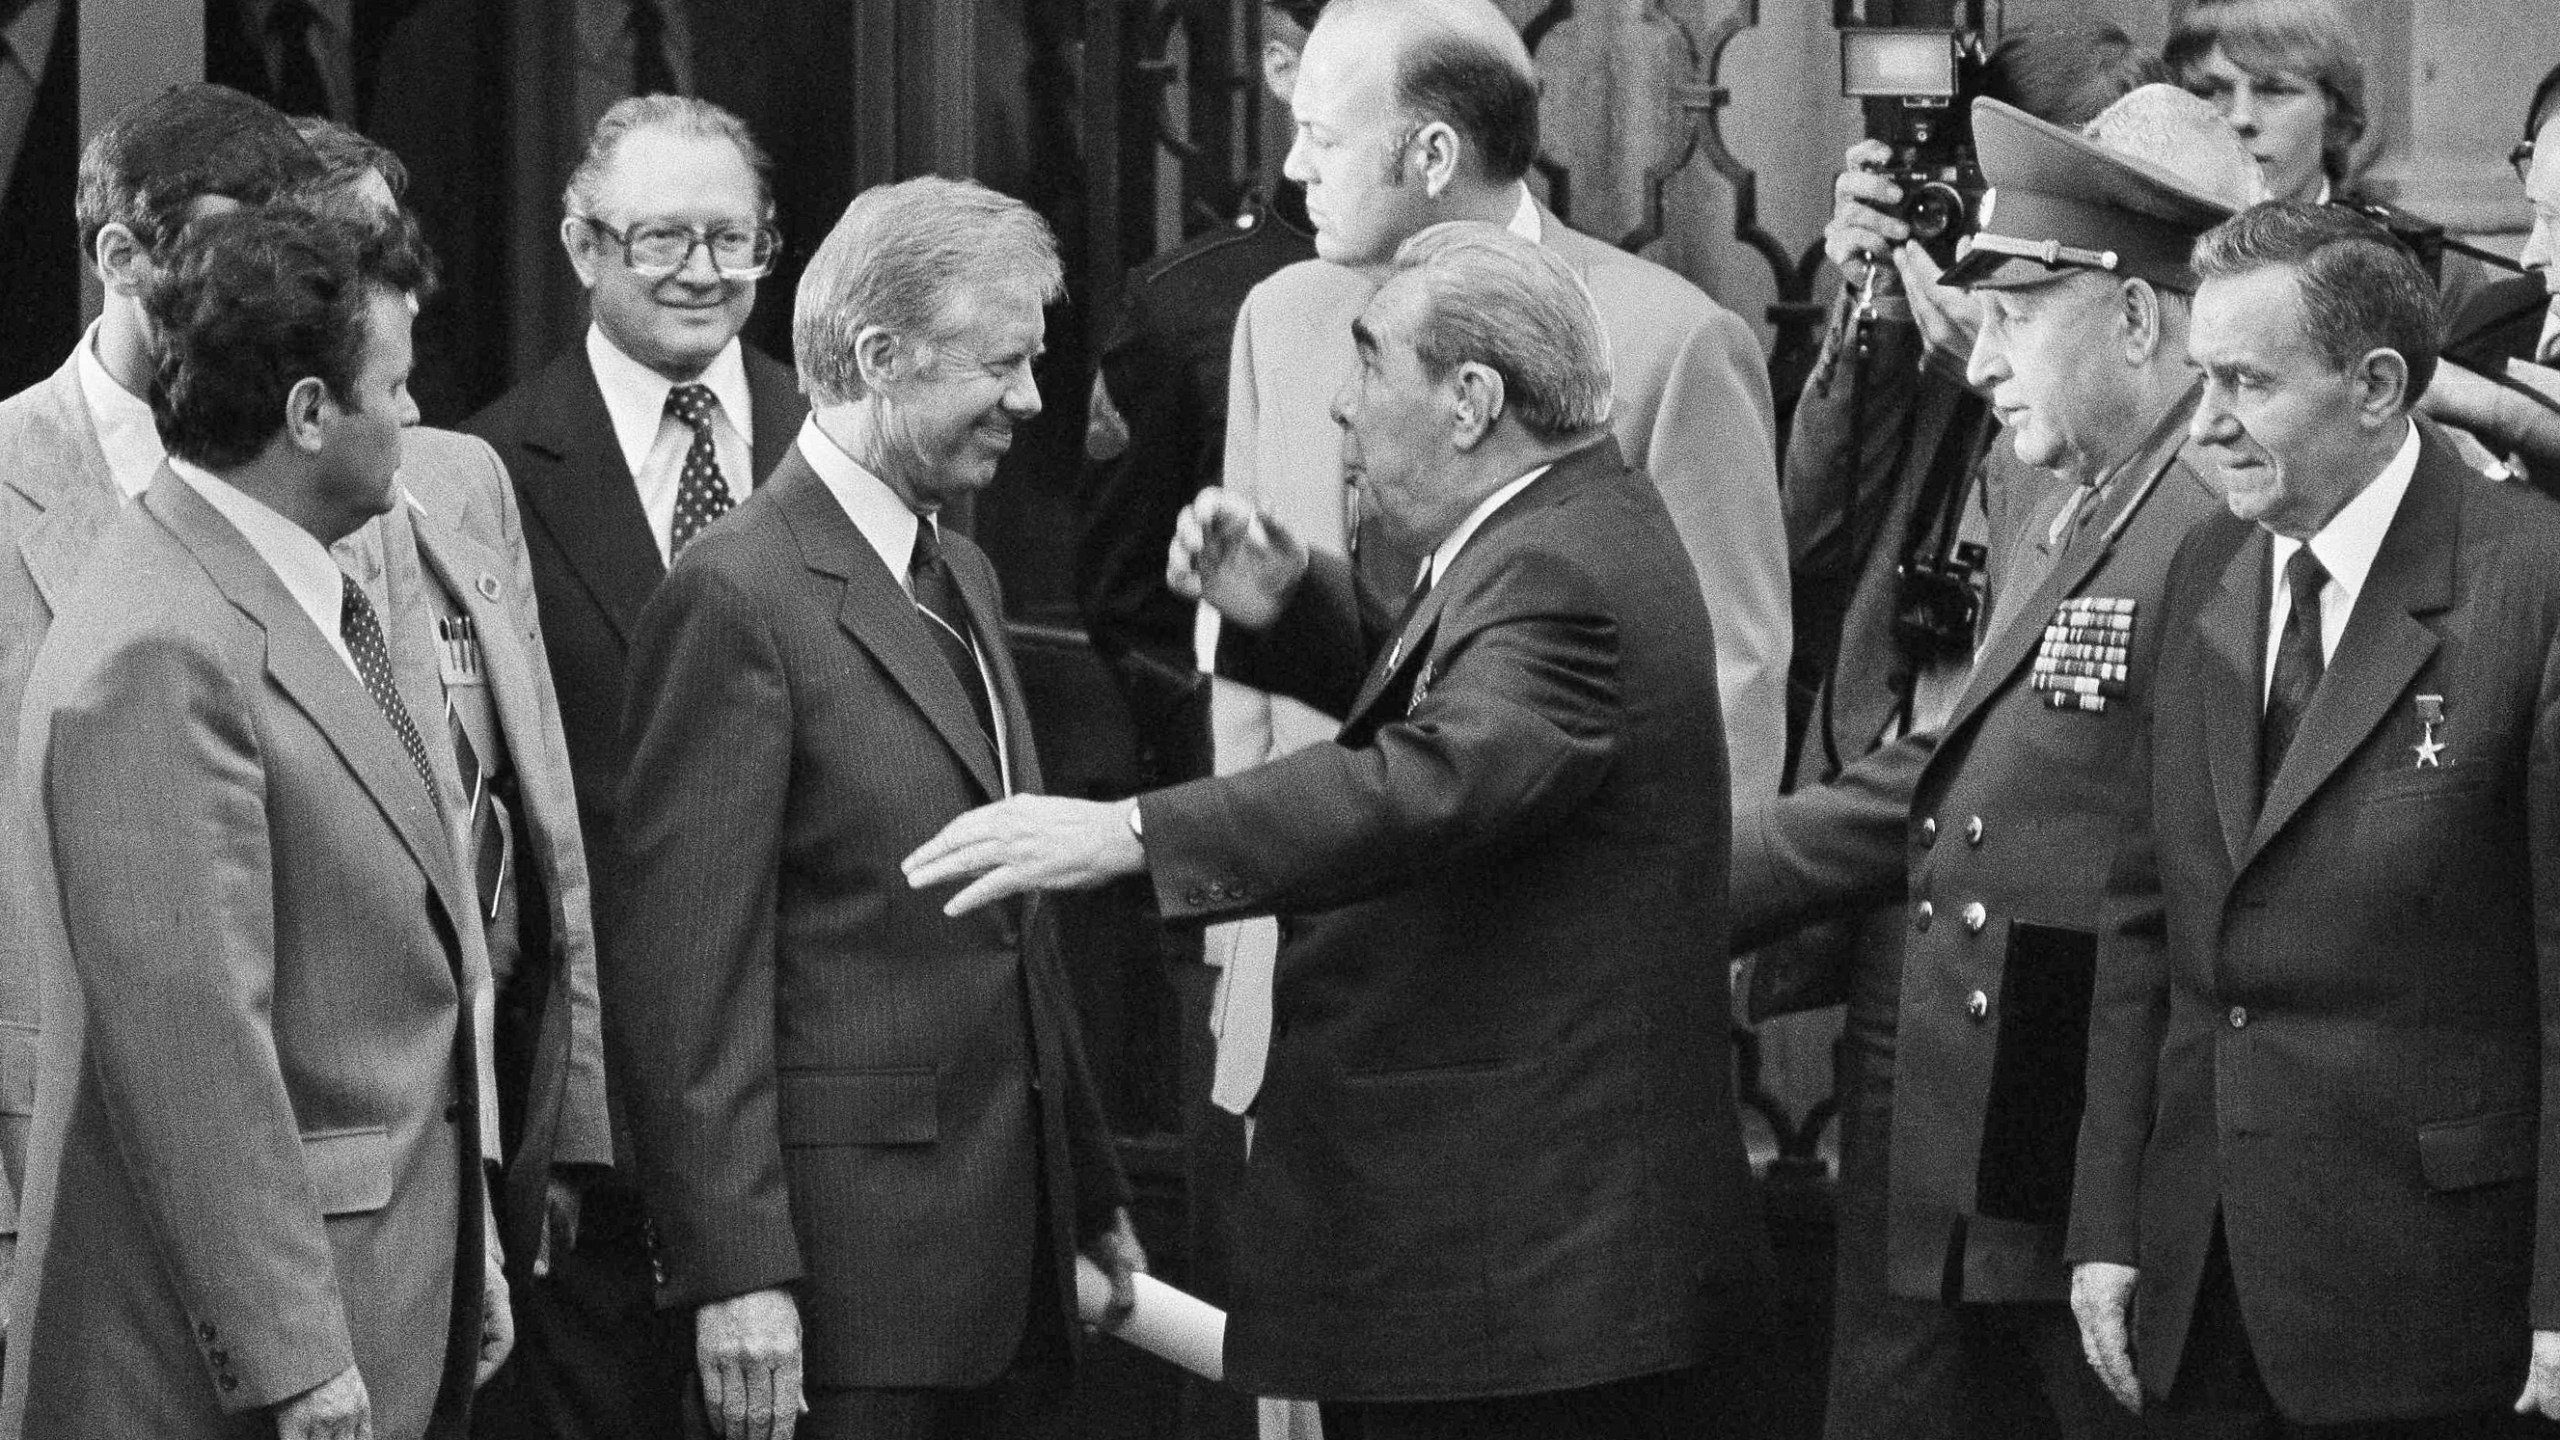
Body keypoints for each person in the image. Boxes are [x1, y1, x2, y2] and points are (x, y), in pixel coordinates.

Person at [905, 221, 1771, 1440]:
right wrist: (1293, 599)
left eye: (1368, 366)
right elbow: (1478, 703)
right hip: (1515, 1279)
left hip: (1525, 1297)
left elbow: (1446, 772)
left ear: (1472, 400)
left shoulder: (1560, 568)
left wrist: (1133, 832)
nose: (1338, 412)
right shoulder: (1561, 526)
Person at [1732, 90, 2253, 1440]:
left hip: (2090, 1103)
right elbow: (1960, 763)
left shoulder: (2222, 517)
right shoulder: (2054, 478)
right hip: (1966, 1064)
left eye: (2019, 317)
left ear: (2139, 320)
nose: (1978, 362)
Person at [605, 176, 1142, 1440]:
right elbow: (686, 978)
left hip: (1009, 1271)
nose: (1029, 400)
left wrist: (1091, 1186)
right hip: (843, 1301)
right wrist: (735, 1273)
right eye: (1001, 363)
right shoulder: (734, 597)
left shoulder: (961, 568)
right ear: (879, 356)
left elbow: (1009, 914)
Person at [1199, 0, 1789, 1147]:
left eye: (1321, 136)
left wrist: (1669, 987)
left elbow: (1729, 690)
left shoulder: (1667, 343)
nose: (1289, 166)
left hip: (1546, 1023)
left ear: (1430, 156)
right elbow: (1249, 669)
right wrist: (1240, 946)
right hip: (1309, 993)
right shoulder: (1279, 318)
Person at [2, 205, 509, 1440]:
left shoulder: (280, 588)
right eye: (395, 385)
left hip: (376, 1290)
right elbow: (192, 1047)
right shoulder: (165, 644)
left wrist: (465, 1242)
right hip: (235, 1371)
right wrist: (296, 1359)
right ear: (305, 415)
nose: (414, 414)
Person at [2069, 200, 2560, 1435]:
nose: (2207, 423)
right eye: (2199, 379)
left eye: (2246, 382)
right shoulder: (2204, 571)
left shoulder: (2532, 586)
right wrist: (2108, 1228)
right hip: (2203, 1285)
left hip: (2438, 1308)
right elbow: (2143, 931)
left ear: (2377, 386)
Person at [460, 94, 807, 1440]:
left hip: (806, 1080)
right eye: (665, 236)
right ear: (580, 245)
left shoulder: (836, 443)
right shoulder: (484, 467)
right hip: (587, 1114)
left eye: (736, 237)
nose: (705, 270)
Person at [293, 115, 614, 1388]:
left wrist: (567, 1124)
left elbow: (541, 826)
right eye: (358, 244)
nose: (394, 271)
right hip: (344, 1145)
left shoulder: (460, 474)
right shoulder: (253, 496)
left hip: (497, 1111)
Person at [0, 79, 320, 1326]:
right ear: (119, 256)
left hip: (311, 1180)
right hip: (46, 1179)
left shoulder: (336, 474)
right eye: (244, 256)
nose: (286, 302)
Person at [2167, 0, 2560, 480]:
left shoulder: (2430, 266)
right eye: (2210, 92)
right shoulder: (2150, 258)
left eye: (2275, 90)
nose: (2240, 118)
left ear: (2335, 115)